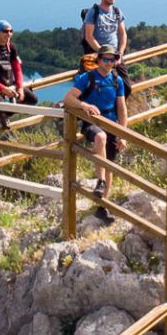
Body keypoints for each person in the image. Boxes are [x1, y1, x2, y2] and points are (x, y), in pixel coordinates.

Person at [64, 42, 130, 217]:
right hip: (91, 123)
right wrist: (84, 105)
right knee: (100, 138)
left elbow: (122, 109)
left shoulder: (117, 80)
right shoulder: (88, 77)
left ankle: (103, 206)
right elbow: (68, 99)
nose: (108, 63)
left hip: (111, 122)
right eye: (105, 59)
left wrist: (123, 134)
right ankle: (100, 181)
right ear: (99, 60)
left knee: (110, 165)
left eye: (112, 59)